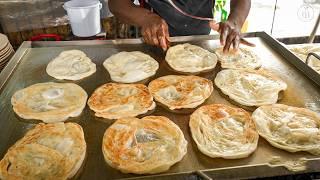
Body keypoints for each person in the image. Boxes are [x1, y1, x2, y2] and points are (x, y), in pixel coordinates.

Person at [109, 0, 252, 52]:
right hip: (151, 42)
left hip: (199, 44)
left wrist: (235, 21)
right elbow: (117, 4)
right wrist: (146, 18)